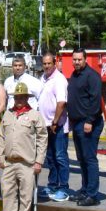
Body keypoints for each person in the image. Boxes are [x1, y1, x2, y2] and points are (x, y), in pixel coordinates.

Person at [0, 82, 48, 211]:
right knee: (8, 195)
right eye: (16, 97)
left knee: (26, 197)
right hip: (10, 163)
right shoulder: (8, 114)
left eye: (22, 97)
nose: (19, 100)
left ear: (27, 98)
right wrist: (0, 157)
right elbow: (1, 136)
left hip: (27, 163)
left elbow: (42, 138)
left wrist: (39, 161)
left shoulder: (34, 115)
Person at [67, 49, 104, 206]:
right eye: (74, 59)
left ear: (85, 59)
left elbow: (95, 101)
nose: (76, 62)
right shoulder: (74, 76)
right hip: (76, 123)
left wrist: (89, 121)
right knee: (81, 158)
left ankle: (92, 195)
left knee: (89, 159)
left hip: (89, 123)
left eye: (79, 59)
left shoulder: (92, 76)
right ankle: (85, 189)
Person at [38, 51, 70, 202]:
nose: (46, 66)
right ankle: (52, 185)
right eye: (44, 63)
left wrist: (55, 122)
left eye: (49, 63)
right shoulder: (43, 78)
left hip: (57, 126)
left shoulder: (59, 79)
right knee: (50, 157)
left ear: (55, 63)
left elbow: (61, 103)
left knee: (60, 157)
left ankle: (63, 188)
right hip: (46, 125)